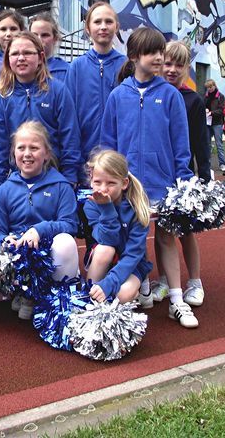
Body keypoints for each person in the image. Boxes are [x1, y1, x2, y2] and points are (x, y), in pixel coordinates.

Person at [100, 28, 197, 328]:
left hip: (163, 185)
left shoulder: (170, 95)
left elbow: (181, 144)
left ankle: (177, 300)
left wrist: (184, 182)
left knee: (166, 238)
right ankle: (141, 287)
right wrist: (111, 181)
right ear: (133, 56)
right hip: (130, 187)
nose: (159, 58)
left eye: (160, 52)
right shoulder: (118, 96)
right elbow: (108, 143)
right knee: (133, 238)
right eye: (152, 52)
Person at [0, 121, 80, 319]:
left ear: (47, 154)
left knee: (66, 242)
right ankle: (24, 292)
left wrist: (39, 230)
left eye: (34, 148)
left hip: (48, 257)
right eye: (21, 148)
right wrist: (5, 241)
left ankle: (52, 295)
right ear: (13, 153)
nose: (27, 154)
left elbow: (70, 225)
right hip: (18, 256)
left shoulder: (62, 186)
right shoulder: (4, 190)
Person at [152, 40, 209, 310]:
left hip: (183, 177)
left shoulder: (193, 100)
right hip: (158, 176)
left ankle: (195, 282)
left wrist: (204, 177)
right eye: (167, 63)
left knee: (185, 231)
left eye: (179, 65)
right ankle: (164, 280)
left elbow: (201, 142)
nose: (172, 69)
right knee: (161, 230)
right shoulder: (152, 95)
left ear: (187, 68)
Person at [0, 31, 80, 189]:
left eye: (27, 53)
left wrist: (69, 178)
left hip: (54, 180)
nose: (21, 58)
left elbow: (70, 137)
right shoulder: (2, 98)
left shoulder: (58, 91)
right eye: (15, 54)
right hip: (17, 183)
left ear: (40, 57)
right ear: (8, 60)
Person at [64, 1, 126, 182]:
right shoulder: (76, 67)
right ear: (87, 28)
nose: (103, 27)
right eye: (97, 22)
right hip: (84, 161)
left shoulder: (126, 66)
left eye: (109, 21)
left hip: (119, 160)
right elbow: (69, 119)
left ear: (117, 27)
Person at [83, 149, 153, 305]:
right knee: (105, 249)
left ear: (124, 183)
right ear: (91, 180)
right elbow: (107, 240)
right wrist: (107, 209)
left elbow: (133, 255)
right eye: (97, 182)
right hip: (106, 259)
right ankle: (88, 298)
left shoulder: (137, 208)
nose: (103, 189)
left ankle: (131, 292)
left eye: (111, 183)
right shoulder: (91, 205)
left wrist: (109, 283)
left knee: (124, 294)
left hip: (132, 265)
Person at [30, 12, 69, 82]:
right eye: (34, 35)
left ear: (55, 39)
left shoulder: (67, 71)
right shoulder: (19, 69)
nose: (39, 39)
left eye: (45, 35)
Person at [204, 79, 225, 173]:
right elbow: (203, 106)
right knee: (207, 144)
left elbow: (221, 110)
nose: (209, 89)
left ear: (214, 86)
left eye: (210, 87)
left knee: (219, 144)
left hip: (217, 123)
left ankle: (222, 164)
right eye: (207, 87)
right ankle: (207, 164)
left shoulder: (220, 96)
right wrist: (205, 110)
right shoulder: (205, 96)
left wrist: (211, 113)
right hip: (208, 123)